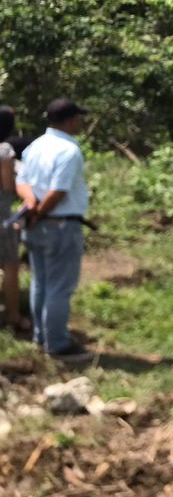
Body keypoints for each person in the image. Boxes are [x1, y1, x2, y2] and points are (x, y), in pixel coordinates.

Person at [16, 98, 93, 360]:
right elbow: (58, 191)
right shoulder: (68, 150)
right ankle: (58, 344)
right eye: (78, 118)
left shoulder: (35, 146)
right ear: (70, 120)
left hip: (35, 226)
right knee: (60, 287)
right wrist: (39, 211)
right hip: (59, 225)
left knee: (41, 282)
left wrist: (30, 204)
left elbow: (22, 181)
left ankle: (41, 337)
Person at [0, 106, 28, 332]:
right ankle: (13, 315)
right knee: (10, 265)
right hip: (1, 214)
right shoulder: (4, 150)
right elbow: (9, 186)